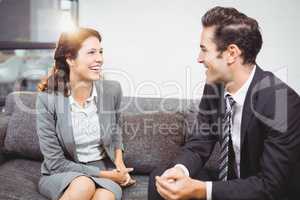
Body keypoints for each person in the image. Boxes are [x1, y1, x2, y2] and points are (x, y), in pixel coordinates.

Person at [148, 6, 300, 200]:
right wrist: (181, 170)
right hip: (228, 183)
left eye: (204, 50)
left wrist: (202, 190)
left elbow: (270, 186)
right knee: (161, 178)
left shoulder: (282, 102)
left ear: (231, 53)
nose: (199, 58)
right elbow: (200, 142)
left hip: (262, 191)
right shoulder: (214, 87)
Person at [36, 27, 135, 200]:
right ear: (70, 59)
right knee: (83, 185)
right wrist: (108, 176)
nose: (100, 59)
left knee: (105, 197)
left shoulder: (112, 90)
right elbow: (56, 163)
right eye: (91, 52)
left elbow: (116, 130)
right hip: (62, 171)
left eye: (100, 52)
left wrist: (119, 165)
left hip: (103, 167)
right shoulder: (47, 99)